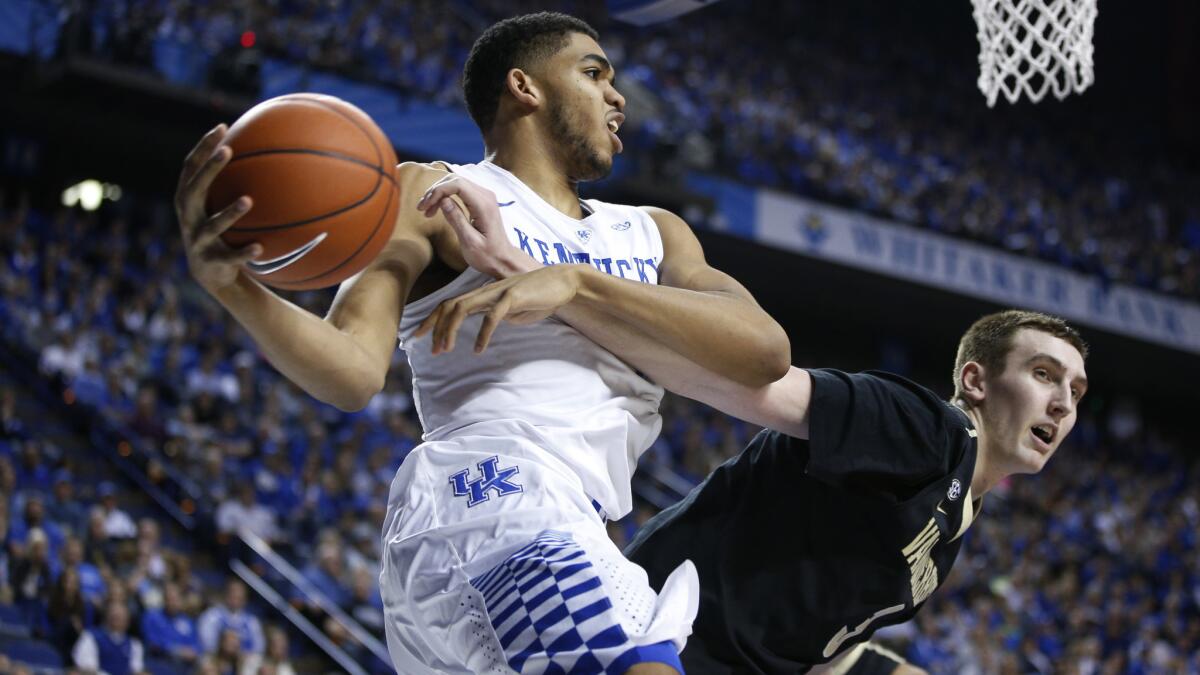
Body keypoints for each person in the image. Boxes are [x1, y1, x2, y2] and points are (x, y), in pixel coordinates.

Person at [173, 10, 789, 674]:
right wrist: (235, 288)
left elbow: (763, 350)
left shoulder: (655, 233)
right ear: (525, 87)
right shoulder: (434, 193)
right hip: (489, 501)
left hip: (572, 526)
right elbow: (351, 371)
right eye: (593, 73)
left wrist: (572, 284)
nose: (618, 97)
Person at [426, 225, 1088, 674]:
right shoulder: (926, 429)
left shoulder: (953, 517)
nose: (1063, 402)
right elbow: (746, 381)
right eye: (1044, 374)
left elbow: (823, 649)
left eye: (1077, 390)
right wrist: (568, 292)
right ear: (974, 380)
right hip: (651, 641)